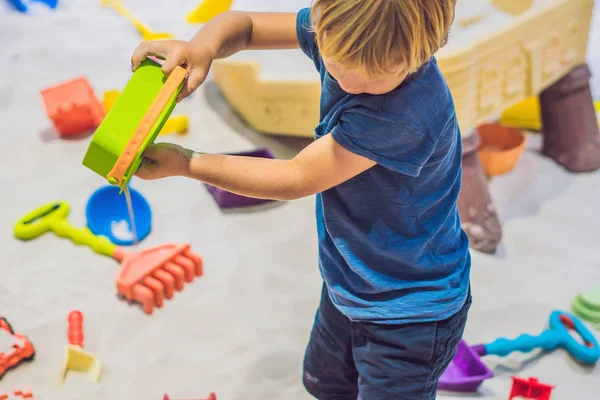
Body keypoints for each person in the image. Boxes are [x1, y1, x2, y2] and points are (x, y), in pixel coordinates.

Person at [131, 0, 471, 398]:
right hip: (351, 281)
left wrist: (187, 162)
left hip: (411, 310)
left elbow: (295, 177)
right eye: (338, 63)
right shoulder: (344, 29)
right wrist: (201, 47)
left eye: (375, 77)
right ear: (323, 19)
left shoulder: (405, 113)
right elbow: (246, 25)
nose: (350, 81)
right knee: (325, 384)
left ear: (426, 50)